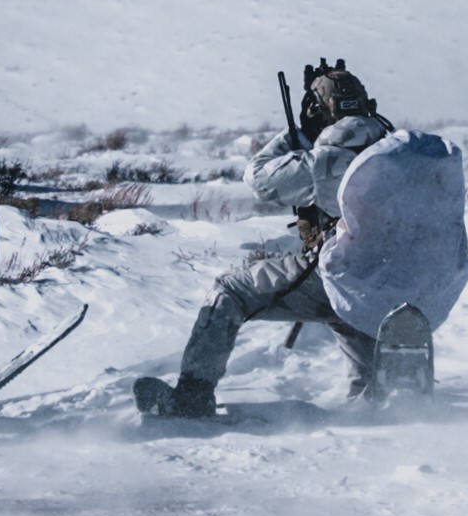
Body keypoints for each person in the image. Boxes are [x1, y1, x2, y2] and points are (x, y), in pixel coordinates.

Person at [136, 60, 396, 419]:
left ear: (316, 110)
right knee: (352, 327)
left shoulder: (324, 159)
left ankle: (191, 399)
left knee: (229, 292)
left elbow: (258, 178)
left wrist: (296, 135)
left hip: (336, 275)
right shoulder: (395, 149)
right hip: (385, 281)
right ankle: (384, 405)